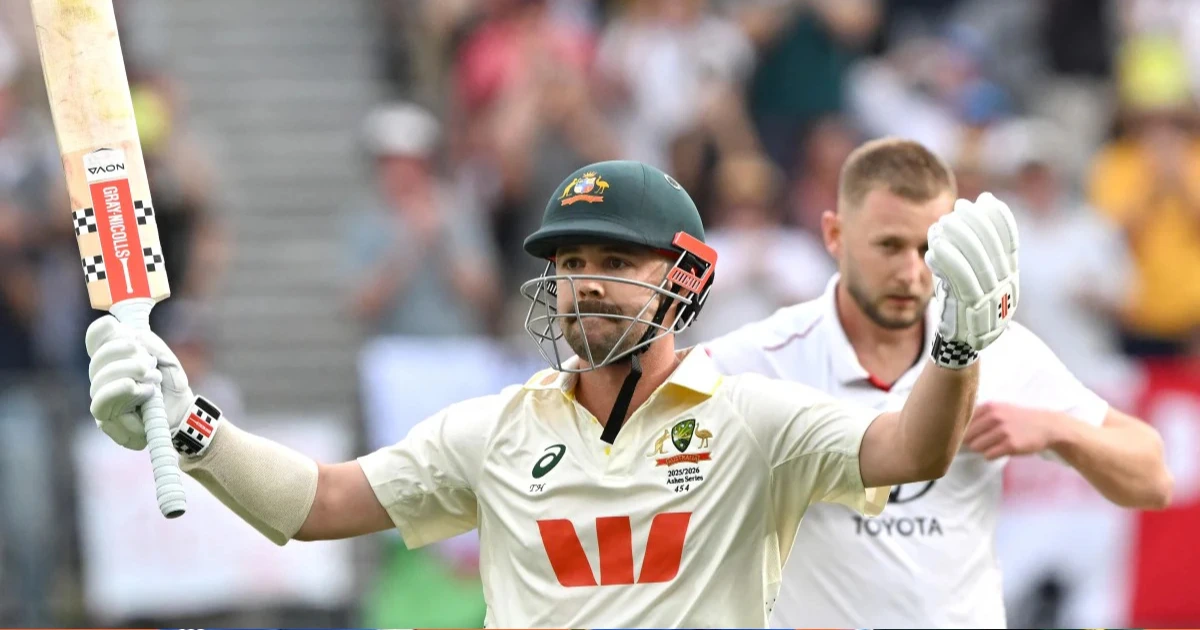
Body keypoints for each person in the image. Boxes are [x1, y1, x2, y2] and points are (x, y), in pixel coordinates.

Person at [84, 159, 1018, 628]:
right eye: (571, 262)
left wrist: (959, 346)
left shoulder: (753, 419)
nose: (585, 283)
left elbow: (911, 451)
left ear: (687, 277)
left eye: (615, 260)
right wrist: (192, 425)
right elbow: (323, 503)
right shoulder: (497, 428)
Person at [702, 138, 1173, 629]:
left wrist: (1057, 429)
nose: (910, 272)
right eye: (889, 245)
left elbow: (1153, 477)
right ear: (835, 234)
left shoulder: (999, 349)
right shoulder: (760, 358)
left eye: (929, 248)